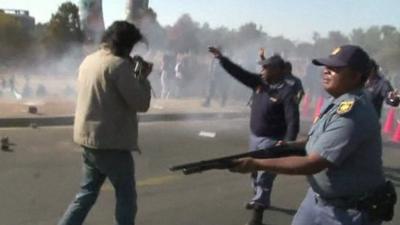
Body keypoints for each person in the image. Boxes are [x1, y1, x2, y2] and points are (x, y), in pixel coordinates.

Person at [231, 45, 395, 225]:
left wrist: (256, 163)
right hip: (318, 200)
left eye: (335, 69)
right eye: (326, 67)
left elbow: (313, 163)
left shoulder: (352, 111)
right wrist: (290, 146)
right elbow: (315, 141)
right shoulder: (334, 101)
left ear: (355, 76)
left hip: (348, 212)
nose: (326, 71)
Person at [58, 21, 152, 225]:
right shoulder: (119, 66)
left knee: (86, 194)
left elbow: (107, 94)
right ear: (125, 45)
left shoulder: (88, 61)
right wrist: (143, 78)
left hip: (88, 139)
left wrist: (133, 73)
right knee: (126, 197)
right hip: (112, 144)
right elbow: (141, 103)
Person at [208, 47, 300, 225]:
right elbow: (239, 73)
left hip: (272, 140)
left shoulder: (287, 91)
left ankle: (257, 215)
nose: (262, 70)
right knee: (253, 171)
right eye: (262, 67)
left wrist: (288, 143)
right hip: (255, 137)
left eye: (266, 68)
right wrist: (222, 59)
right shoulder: (259, 83)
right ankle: (258, 198)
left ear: (277, 70)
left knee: (265, 175)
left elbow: (292, 120)